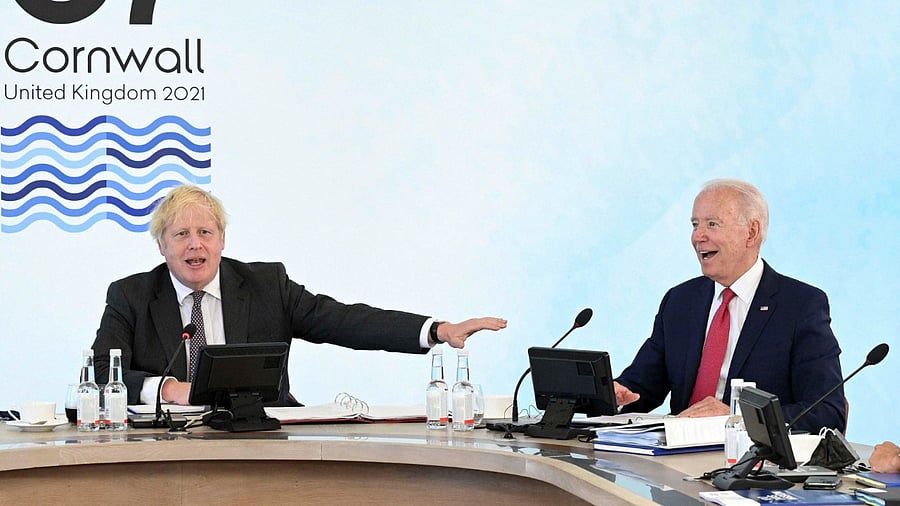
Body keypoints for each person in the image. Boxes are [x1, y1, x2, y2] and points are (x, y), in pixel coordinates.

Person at [91, 185, 506, 406]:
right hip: (170, 453)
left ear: (222, 241)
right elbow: (99, 375)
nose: (194, 245)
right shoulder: (132, 296)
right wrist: (165, 389)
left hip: (264, 442)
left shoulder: (265, 285)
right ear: (161, 246)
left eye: (205, 233)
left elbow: (344, 321)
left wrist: (435, 330)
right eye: (181, 234)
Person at [613, 179, 846, 434]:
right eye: (695, 224)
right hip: (676, 455)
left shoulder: (800, 305)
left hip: (752, 463)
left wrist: (738, 416)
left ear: (751, 232)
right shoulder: (680, 300)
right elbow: (641, 388)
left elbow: (827, 412)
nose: (697, 237)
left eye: (712, 224)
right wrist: (615, 394)